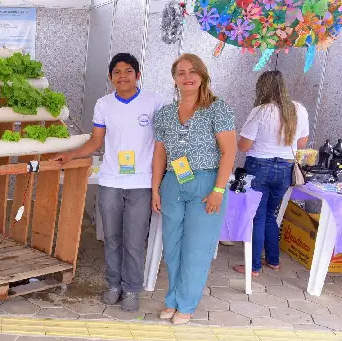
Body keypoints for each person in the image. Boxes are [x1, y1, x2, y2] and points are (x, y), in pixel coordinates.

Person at [54, 53, 166, 311]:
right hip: (111, 181)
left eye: (128, 71)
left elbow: (162, 144)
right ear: (110, 77)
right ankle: (114, 285)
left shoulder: (154, 102)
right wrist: (70, 155)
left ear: (138, 75)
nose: (123, 76)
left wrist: (158, 184)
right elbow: (95, 142)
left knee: (135, 240)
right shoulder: (104, 104)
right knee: (112, 238)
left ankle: (132, 288)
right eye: (117, 72)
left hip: (141, 183)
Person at [151, 53, 236, 325]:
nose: (187, 77)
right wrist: (155, 189)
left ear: (202, 75)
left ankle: (186, 303)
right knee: (173, 246)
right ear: (174, 79)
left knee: (196, 248)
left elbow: (229, 152)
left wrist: (218, 190)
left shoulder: (217, 108)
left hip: (205, 182)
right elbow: (159, 155)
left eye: (192, 72)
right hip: (174, 182)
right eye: (180, 73)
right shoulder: (165, 113)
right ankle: (172, 299)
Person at [234, 71, 309, 277]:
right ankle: (273, 261)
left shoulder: (260, 111)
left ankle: (254, 267)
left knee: (257, 216)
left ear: (262, 88)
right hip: (285, 168)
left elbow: (244, 146)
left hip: (259, 167)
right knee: (271, 215)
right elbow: (301, 143)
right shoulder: (299, 110)